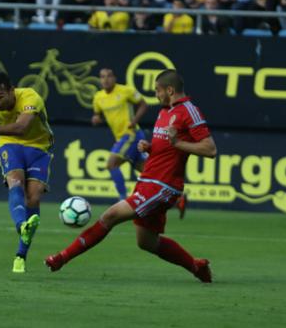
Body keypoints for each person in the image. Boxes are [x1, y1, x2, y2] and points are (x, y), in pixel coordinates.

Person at [45, 69, 217, 284]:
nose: (155, 94)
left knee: (110, 216)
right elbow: (167, 148)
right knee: (146, 242)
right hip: (148, 180)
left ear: (170, 90)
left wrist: (177, 143)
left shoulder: (189, 111)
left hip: (163, 185)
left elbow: (210, 149)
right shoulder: (165, 111)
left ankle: (61, 258)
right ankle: (196, 267)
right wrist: (150, 147)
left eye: (157, 90)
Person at [0, 72, 53, 273]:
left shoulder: (30, 97)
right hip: (9, 144)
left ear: (11, 90)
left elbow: (22, 127)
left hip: (39, 147)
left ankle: (20, 255)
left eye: (0, 97)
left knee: (33, 198)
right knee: (15, 182)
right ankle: (21, 226)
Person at [91, 68, 148, 201]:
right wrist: (96, 119)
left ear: (115, 78)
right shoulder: (98, 97)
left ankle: (123, 200)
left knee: (111, 164)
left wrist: (134, 121)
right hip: (121, 138)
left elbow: (144, 105)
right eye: (102, 77)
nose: (105, 79)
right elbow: (96, 116)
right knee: (147, 171)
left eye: (109, 76)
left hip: (132, 134)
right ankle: (178, 197)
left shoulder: (125, 91)